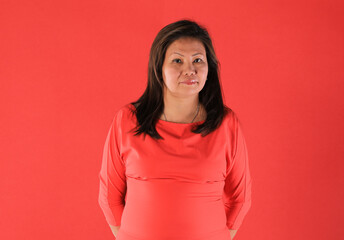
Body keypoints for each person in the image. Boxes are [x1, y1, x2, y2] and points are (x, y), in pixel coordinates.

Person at [98, 19, 252, 240]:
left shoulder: (227, 123)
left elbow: (241, 198)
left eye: (197, 60)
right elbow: (109, 196)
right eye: (177, 60)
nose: (189, 70)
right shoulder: (127, 120)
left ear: (210, 68)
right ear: (158, 67)